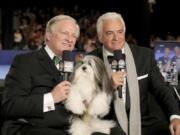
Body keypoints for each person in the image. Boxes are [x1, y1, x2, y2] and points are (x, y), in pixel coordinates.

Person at [89, 12, 180, 135]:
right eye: (110, 33)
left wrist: (175, 117)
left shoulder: (145, 55)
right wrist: (108, 87)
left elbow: (161, 89)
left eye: (120, 32)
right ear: (100, 37)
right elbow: (86, 101)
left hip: (142, 121)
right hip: (107, 122)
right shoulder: (90, 61)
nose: (116, 37)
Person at [1, 15, 79, 135]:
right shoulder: (25, 61)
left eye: (74, 36)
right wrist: (51, 98)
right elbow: (10, 106)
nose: (70, 39)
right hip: (33, 129)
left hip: (73, 128)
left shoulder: (77, 68)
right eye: (65, 33)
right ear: (48, 35)